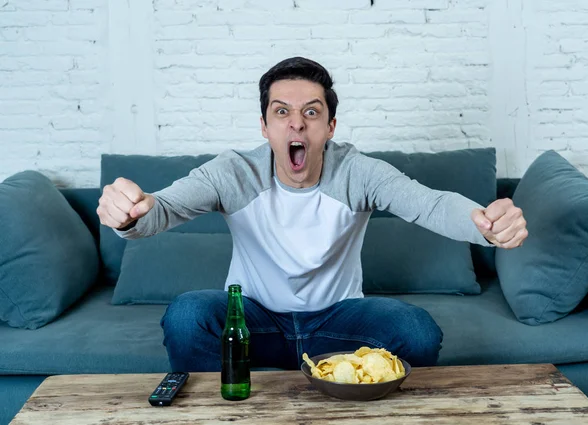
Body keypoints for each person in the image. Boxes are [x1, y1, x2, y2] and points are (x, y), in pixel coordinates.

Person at [97, 57, 527, 372]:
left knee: (416, 331)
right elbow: (165, 206)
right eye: (281, 112)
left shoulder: (358, 171)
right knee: (188, 315)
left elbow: (430, 204)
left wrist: (486, 224)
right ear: (265, 127)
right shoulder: (234, 171)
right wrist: (132, 213)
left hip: (338, 322)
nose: (296, 124)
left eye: (311, 112)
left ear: (330, 127)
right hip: (252, 322)